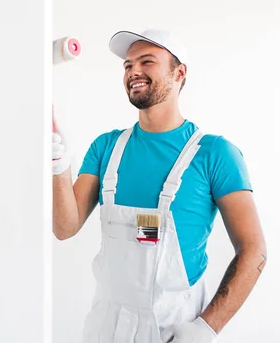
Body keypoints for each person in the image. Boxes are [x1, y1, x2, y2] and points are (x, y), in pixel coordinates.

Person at [52, 28, 267, 343]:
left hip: (173, 329)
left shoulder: (215, 154)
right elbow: (64, 227)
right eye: (127, 65)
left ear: (179, 73)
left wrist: (206, 328)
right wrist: (59, 165)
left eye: (146, 61)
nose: (133, 71)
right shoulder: (106, 148)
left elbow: (254, 250)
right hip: (105, 326)